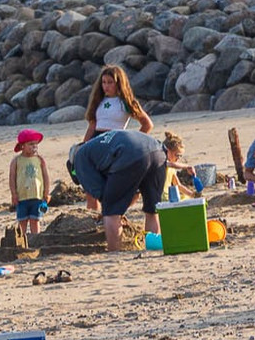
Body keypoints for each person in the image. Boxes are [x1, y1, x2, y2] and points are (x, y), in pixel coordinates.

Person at [75, 64, 153, 216]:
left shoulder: (126, 102)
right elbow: (92, 125)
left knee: (117, 184)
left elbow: (147, 124)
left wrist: (133, 141)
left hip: (115, 143)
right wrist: (82, 147)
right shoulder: (98, 101)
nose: (106, 86)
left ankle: (114, 213)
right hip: (96, 142)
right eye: (104, 82)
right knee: (90, 186)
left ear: (118, 83)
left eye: (110, 82)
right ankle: (93, 218)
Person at [70, 128, 166, 250]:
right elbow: (134, 193)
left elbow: (102, 194)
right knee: (152, 209)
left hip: (130, 153)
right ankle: (154, 248)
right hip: (158, 152)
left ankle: (114, 252)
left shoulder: (80, 157)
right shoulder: (98, 145)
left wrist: (113, 212)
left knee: (110, 211)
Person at [9, 129, 50, 243]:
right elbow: (12, 178)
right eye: (31, 144)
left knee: (35, 220)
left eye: (36, 144)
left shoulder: (39, 160)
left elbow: (45, 177)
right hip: (22, 197)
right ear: (23, 146)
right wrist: (14, 194)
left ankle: (35, 241)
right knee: (22, 221)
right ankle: (21, 242)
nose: (34, 147)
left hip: (37, 196)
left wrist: (46, 193)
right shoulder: (17, 161)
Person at [160, 131, 203, 199]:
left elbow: (178, 185)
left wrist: (192, 194)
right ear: (168, 151)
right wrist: (187, 167)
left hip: (168, 196)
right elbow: (171, 164)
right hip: (161, 197)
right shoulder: (161, 162)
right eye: (177, 155)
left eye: (180, 156)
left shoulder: (172, 168)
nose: (178, 158)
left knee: (185, 197)